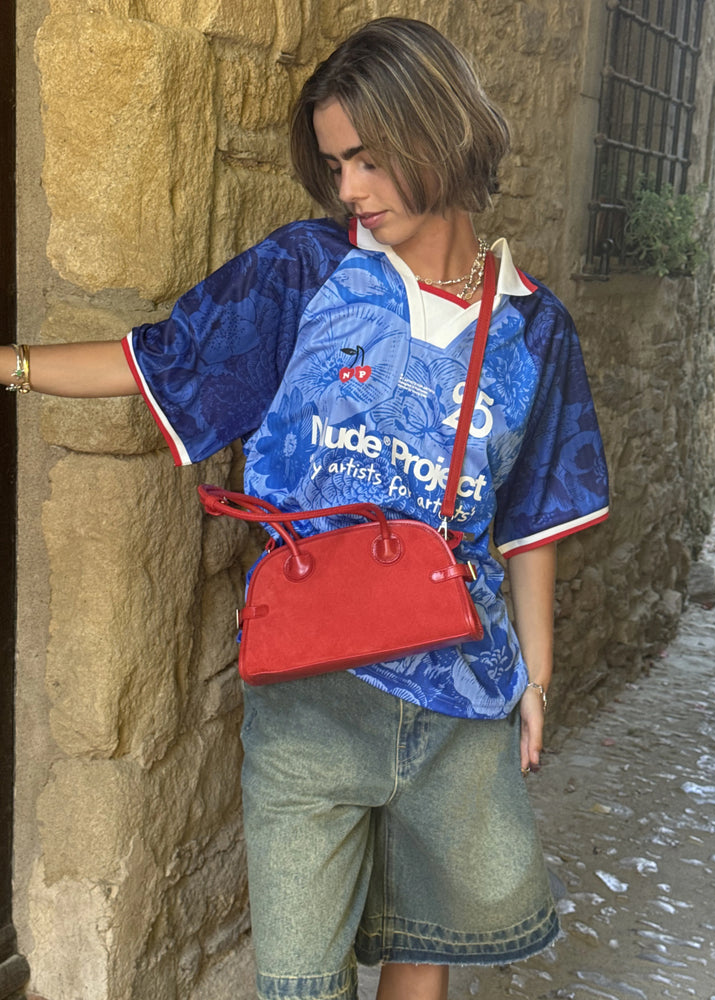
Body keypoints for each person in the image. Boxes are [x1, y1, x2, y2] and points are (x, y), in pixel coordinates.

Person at [6, 17, 609, 1000]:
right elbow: (162, 360)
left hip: (460, 691)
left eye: (368, 160)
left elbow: (536, 514)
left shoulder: (536, 328)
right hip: (309, 693)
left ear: (438, 131)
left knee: (425, 952)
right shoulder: (307, 272)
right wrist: (15, 366)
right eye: (335, 167)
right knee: (298, 982)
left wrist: (533, 677)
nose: (350, 190)